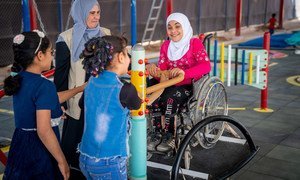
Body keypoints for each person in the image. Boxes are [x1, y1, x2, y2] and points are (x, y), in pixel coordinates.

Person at [3, 30, 85, 179]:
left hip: (20, 142)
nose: (52, 55)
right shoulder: (44, 85)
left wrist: (79, 89)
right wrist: (62, 161)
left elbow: (49, 99)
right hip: (39, 149)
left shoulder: (19, 78)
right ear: (40, 55)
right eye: (50, 52)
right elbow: (44, 130)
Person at [53, 0, 111, 178]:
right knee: (73, 144)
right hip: (77, 101)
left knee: (99, 142)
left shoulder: (105, 34)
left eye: (98, 13)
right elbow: (61, 74)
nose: (95, 17)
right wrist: (60, 103)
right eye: (91, 13)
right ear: (80, 12)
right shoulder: (66, 38)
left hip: (101, 99)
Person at [77, 35, 141, 180]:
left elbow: (82, 104)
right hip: (109, 162)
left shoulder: (91, 81)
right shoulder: (125, 89)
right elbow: (137, 104)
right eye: (127, 53)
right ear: (120, 57)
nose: (129, 58)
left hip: (85, 158)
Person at [146, 13, 211, 152]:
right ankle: (157, 133)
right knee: (149, 89)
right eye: (169, 27)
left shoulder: (194, 43)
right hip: (169, 82)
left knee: (169, 97)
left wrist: (183, 73)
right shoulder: (166, 45)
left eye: (177, 26)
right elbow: (162, 71)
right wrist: (154, 70)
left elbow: (206, 66)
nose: (173, 31)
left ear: (185, 27)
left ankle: (169, 135)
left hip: (188, 84)